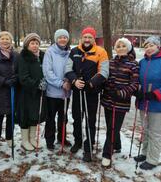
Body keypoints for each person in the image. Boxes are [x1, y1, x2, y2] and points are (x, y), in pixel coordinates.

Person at [65, 27, 109, 162]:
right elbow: (68, 69)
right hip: (77, 90)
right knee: (77, 118)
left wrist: (91, 83)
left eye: (90, 37)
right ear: (81, 38)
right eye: (85, 37)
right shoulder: (74, 51)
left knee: (90, 120)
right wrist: (74, 80)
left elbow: (104, 72)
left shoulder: (101, 52)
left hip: (91, 92)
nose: (87, 39)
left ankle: (88, 146)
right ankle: (77, 141)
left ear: (94, 39)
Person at [134, 36, 161, 170]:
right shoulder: (142, 62)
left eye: (151, 45)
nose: (148, 48)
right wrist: (138, 91)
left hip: (158, 103)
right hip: (144, 101)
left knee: (154, 132)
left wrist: (156, 94)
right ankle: (145, 153)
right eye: (146, 46)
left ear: (158, 46)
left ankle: (152, 159)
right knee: (145, 130)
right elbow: (137, 80)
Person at [100, 38, 139, 167]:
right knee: (110, 126)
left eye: (124, 46)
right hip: (108, 100)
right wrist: (102, 86)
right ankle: (117, 145)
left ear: (128, 49)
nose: (121, 48)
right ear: (115, 48)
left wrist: (121, 93)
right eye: (118, 46)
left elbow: (134, 84)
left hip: (121, 102)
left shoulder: (133, 65)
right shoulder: (110, 62)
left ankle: (107, 154)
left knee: (113, 128)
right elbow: (105, 77)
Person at [42, 29, 72, 150]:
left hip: (66, 92)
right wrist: (60, 83)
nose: (63, 39)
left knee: (63, 117)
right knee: (51, 118)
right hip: (52, 92)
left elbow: (71, 69)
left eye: (65, 37)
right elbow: (47, 72)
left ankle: (62, 137)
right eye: (60, 37)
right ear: (56, 39)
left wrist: (69, 81)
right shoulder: (50, 52)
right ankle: (50, 140)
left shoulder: (69, 53)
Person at [17, 33, 47, 151]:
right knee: (26, 115)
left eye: (36, 43)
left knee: (35, 115)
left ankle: (32, 138)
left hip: (39, 91)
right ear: (27, 45)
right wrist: (36, 84)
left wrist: (44, 82)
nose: (35, 46)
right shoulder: (23, 57)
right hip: (26, 92)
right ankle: (25, 140)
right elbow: (23, 77)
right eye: (32, 43)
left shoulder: (42, 56)